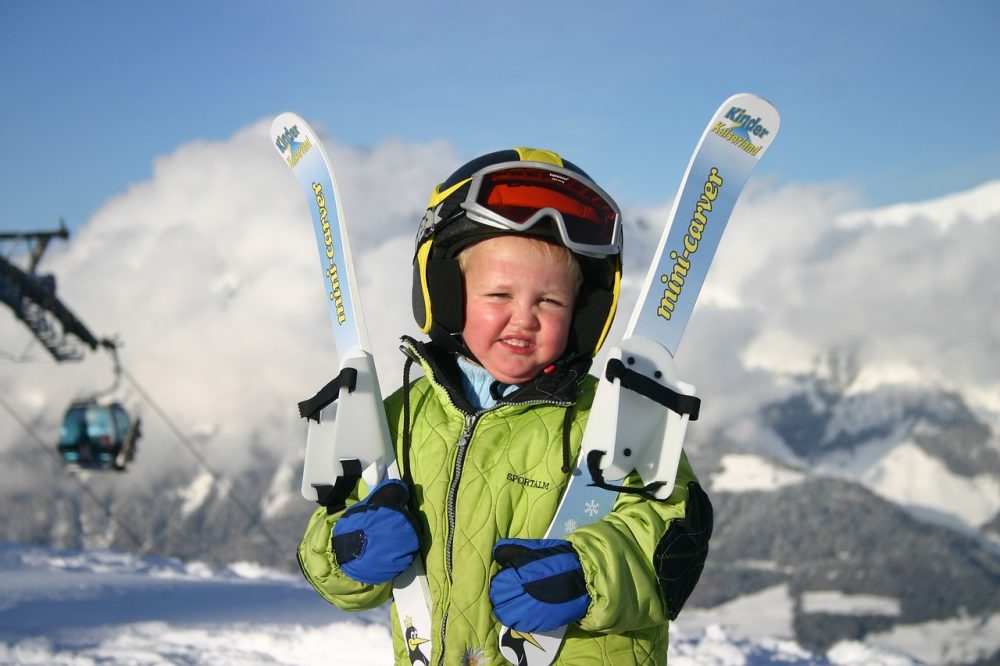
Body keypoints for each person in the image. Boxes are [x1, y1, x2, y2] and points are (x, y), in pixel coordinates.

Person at [297, 148, 713, 665]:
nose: (525, 318)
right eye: (498, 295)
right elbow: (329, 549)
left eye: (550, 301)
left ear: (584, 314)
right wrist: (348, 550)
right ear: (448, 295)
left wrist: (585, 574)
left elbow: (675, 540)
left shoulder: (617, 418)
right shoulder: (399, 417)